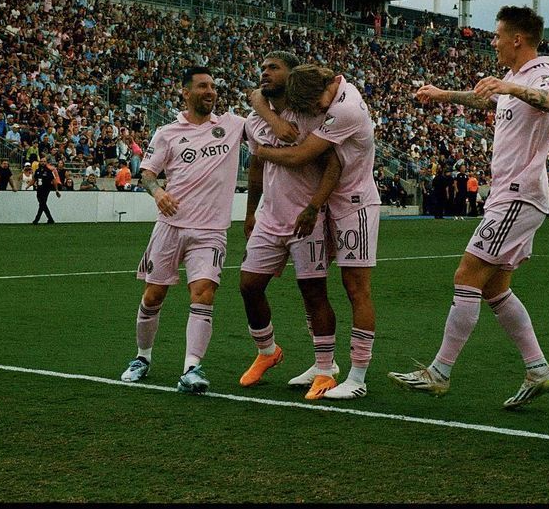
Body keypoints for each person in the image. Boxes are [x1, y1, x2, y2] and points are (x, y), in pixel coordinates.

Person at [388, 5, 549, 410]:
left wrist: (511, 89)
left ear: (517, 39)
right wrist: (442, 94)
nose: (494, 41)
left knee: (466, 275)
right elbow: (489, 102)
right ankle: (538, 369)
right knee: (495, 287)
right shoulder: (513, 77)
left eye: (498, 35)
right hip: (511, 194)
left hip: (519, 195)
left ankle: (440, 372)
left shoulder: (540, 74)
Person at [249, 62, 381, 400]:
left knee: (356, 288)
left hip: (354, 204)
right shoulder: (329, 96)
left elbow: (304, 156)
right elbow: (257, 97)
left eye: (317, 102)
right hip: (331, 204)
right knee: (313, 287)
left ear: (332, 84)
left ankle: (358, 376)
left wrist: (260, 150)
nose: (316, 109)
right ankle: (326, 365)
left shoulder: (345, 108)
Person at [119, 67, 246, 394]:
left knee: (203, 293)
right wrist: (158, 192)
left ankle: (192, 367)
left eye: (213, 87)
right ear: (185, 93)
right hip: (170, 228)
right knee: (153, 295)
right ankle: (142, 358)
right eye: (203, 86)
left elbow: (267, 125)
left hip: (210, 231)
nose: (210, 92)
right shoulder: (167, 133)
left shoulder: (232, 126)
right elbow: (146, 173)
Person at [237, 52, 344, 399]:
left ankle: (325, 370)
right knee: (249, 286)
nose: (264, 73)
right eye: (262, 68)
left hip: (305, 218)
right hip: (270, 217)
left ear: (292, 74)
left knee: (313, 292)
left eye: (273, 68)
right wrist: (251, 212)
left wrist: (315, 207)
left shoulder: (311, 115)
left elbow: (332, 165)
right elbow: (256, 168)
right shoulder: (255, 121)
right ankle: (268, 352)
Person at [32, 156, 62, 225]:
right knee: (43, 204)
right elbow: (34, 179)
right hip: (39, 189)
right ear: (39, 162)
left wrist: (56, 190)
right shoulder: (37, 171)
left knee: (42, 204)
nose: (42, 163)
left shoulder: (48, 171)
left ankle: (36, 220)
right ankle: (50, 219)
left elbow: (54, 180)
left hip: (46, 189)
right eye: (41, 161)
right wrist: (28, 186)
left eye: (44, 161)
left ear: (46, 163)